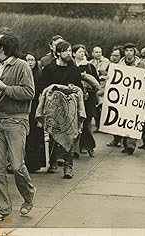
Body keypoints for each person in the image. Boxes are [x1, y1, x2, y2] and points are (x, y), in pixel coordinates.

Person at [0, 32, 36, 222]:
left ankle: (29, 193)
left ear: (4, 47)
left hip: (16, 121)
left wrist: (4, 88)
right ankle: (4, 209)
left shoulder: (21, 66)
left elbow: (29, 92)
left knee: (17, 165)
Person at [42, 40, 83, 176]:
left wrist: (74, 88)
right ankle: (52, 163)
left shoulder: (74, 68)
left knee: (70, 134)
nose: (68, 53)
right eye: (65, 50)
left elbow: (79, 88)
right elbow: (43, 88)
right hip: (53, 107)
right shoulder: (49, 68)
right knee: (53, 133)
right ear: (58, 52)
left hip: (70, 106)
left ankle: (68, 166)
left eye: (70, 51)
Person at [72, 44, 99, 157]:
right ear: (74, 54)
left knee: (87, 123)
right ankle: (76, 149)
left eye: (83, 51)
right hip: (76, 98)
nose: (82, 53)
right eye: (79, 52)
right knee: (76, 124)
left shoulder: (90, 66)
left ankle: (89, 147)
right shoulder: (71, 67)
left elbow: (96, 83)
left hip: (88, 99)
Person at [24, 52, 45, 172]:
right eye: (28, 60)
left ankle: (35, 163)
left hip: (36, 106)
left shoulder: (39, 75)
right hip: (26, 106)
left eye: (32, 60)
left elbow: (41, 93)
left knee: (35, 135)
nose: (30, 62)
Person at [118, 43, 140, 155]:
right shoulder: (119, 64)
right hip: (122, 96)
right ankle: (126, 144)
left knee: (133, 120)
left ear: (134, 52)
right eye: (127, 50)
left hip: (135, 97)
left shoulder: (140, 64)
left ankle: (131, 145)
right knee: (123, 120)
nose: (129, 53)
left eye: (131, 50)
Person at [106, 46, 124, 147]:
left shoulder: (124, 65)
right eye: (113, 55)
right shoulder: (111, 65)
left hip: (123, 95)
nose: (114, 57)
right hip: (113, 94)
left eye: (117, 55)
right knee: (113, 116)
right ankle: (115, 139)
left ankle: (121, 140)